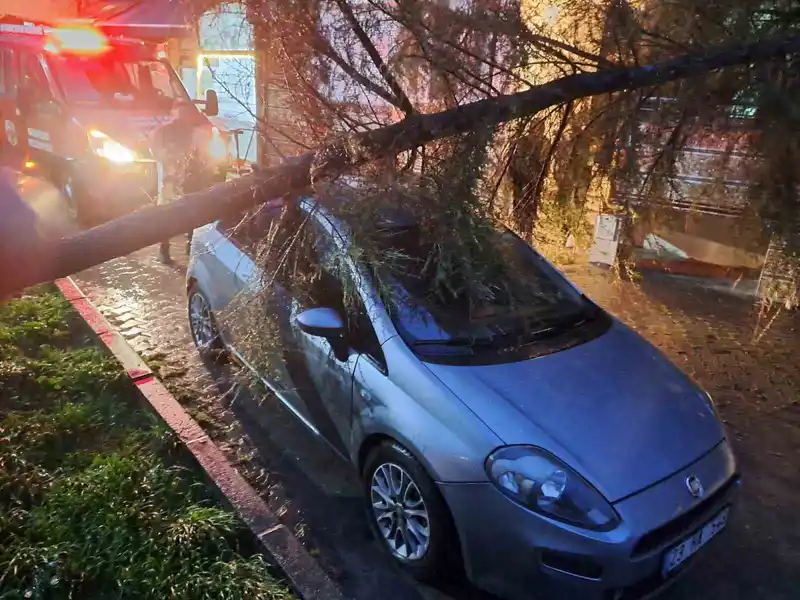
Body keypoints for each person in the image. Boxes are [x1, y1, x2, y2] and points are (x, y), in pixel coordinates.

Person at [149, 105, 209, 264]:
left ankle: (181, 247)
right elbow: (157, 151)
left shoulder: (193, 132)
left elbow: (203, 155)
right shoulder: (164, 132)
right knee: (176, 213)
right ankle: (168, 248)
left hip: (182, 180)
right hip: (173, 180)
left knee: (184, 213)